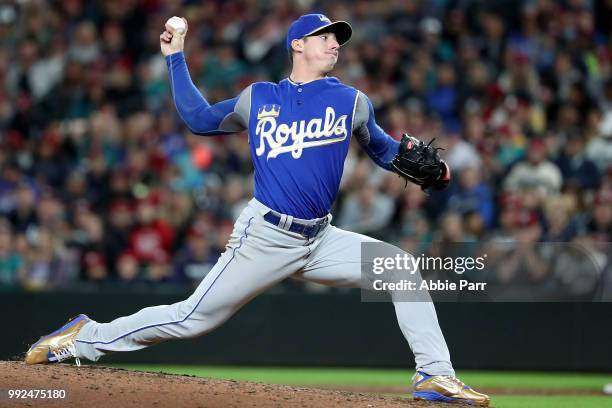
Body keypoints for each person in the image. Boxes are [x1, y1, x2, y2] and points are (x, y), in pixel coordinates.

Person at [24, 14, 489, 406]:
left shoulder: (351, 101)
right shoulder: (259, 97)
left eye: (338, 39)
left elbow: (388, 152)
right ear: (298, 45)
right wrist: (175, 57)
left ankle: (434, 375)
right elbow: (198, 119)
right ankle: (84, 336)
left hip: (321, 238)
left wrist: (437, 171)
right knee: (190, 319)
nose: (335, 45)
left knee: (401, 269)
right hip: (265, 237)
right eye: (326, 37)